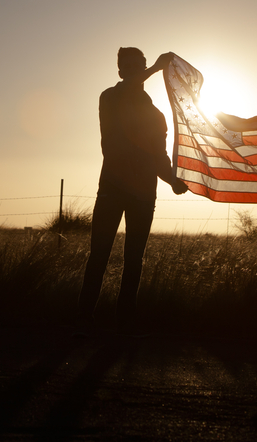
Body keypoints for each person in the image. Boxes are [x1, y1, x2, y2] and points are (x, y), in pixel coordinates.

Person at [78, 47, 188, 332]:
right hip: (111, 190)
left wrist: (173, 180)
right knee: (99, 255)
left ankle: (124, 324)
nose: (131, 71)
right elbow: (129, 89)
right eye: (126, 66)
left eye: (136, 65)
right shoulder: (110, 97)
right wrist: (153, 68)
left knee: (134, 260)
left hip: (143, 195)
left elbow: (159, 158)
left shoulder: (156, 115)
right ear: (120, 72)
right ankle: (83, 320)